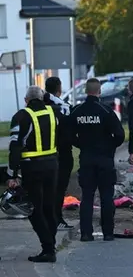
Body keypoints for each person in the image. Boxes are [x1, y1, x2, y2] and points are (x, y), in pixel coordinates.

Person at [6, 86, 60, 262]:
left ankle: (48, 249)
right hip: (52, 165)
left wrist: (11, 174)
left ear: (26, 100)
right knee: (49, 207)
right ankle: (51, 244)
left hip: (32, 168)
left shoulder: (21, 116)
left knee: (33, 210)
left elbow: (15, 147)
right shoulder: (53, 113)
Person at [69, 78, 125, 242]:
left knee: (87, 197)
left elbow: (68, 133)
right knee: (107, 196)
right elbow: (120, 135)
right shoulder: (106, 111)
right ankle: (108, 233)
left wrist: (81, 145)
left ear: (86, 91)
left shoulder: (77, 111)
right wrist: (110, 147)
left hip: (87, 159)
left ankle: (86, 233)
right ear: (99, 91)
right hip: (105, 160)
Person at [43, 77, 74, 230]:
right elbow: (69, 130)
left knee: (46, 188)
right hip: (62, 152)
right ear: (59, 88)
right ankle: (56, 218)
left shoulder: (40, 105)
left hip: (43, 154)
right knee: (59, 188)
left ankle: (48, 218)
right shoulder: (64, 107)